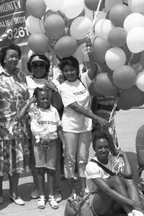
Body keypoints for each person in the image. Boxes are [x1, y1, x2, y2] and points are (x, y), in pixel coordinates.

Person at [57, 55, 109, 198]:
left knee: (82, 159)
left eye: (72, 69)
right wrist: (97, 117)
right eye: (66, 71)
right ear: (63, 72)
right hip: (70, 128)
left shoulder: (83, 80)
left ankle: (84, 188)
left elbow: (94, 69)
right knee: (69, 159)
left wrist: (90, 52)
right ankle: (73, 191)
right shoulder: (63, 87)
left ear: (77, 69)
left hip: (85, 127)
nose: (69, 73)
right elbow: (76, 108)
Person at [17, 87, 65, 210]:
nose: (45, 101)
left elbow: (59, 127)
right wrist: (29, 102)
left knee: (51, 170)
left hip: (53, 143)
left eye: (47, 98)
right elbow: (20, 117)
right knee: (39, 170)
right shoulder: (34, 111)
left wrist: (63, 142)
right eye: (42, 98)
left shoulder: (53, 110)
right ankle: (42, 196)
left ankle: (51, 196)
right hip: (38, 144)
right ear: (36, 99)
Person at [0, 44, 30, 206]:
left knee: (17, 163)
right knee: (1, 164)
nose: (14, 59)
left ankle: (14, 193)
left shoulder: (21, 75)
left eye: (16, 56)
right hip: (2, 127)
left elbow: (27, 98)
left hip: (20, 127)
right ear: (4, 58)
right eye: (11, 56)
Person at [25, 53, 63, 202]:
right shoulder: (26, 80)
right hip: (33, 126)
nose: (38, 68)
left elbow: (59, 105)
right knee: (36, 160)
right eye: (35, 65)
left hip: (51, 127)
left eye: (42, 65)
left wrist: (54, 90)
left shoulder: (53, 82)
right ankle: (37, 187)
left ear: (47, 66)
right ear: (30, 67)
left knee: (54, 160)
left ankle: (56, 189)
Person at [85, 130, 144, 216]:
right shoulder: (91, 166)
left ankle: (137, 212)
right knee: (115, 179)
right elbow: (107, 190)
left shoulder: (113, 160)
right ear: (94, 148)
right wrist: (132, 202)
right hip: (98, 203)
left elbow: (128, 175)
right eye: (100, 147)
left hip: (115, 201)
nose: (103, 150)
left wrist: (124, 155)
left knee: (128, 181)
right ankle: (131, 212)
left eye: (106, 147)